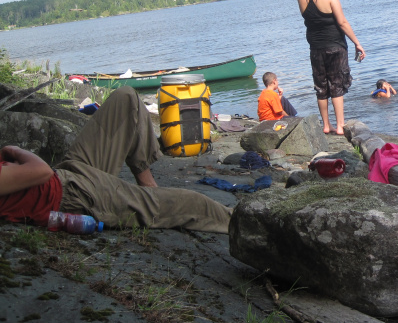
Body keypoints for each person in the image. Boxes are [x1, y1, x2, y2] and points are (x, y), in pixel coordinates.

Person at [0, 86, 231, 233]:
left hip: (69, 172)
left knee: (126, 97)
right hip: (76, 196)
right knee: (193, 203)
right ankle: (242, 222)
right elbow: (41, 172)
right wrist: (13, 149)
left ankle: (147, 184)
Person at [298, 0, 365, 135]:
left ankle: (326, 126)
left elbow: (311, 19)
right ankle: (340, 126)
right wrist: (357, 43)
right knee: (336, 85)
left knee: (320, 87)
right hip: (335, 46)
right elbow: (342, 22)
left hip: (315, 48)